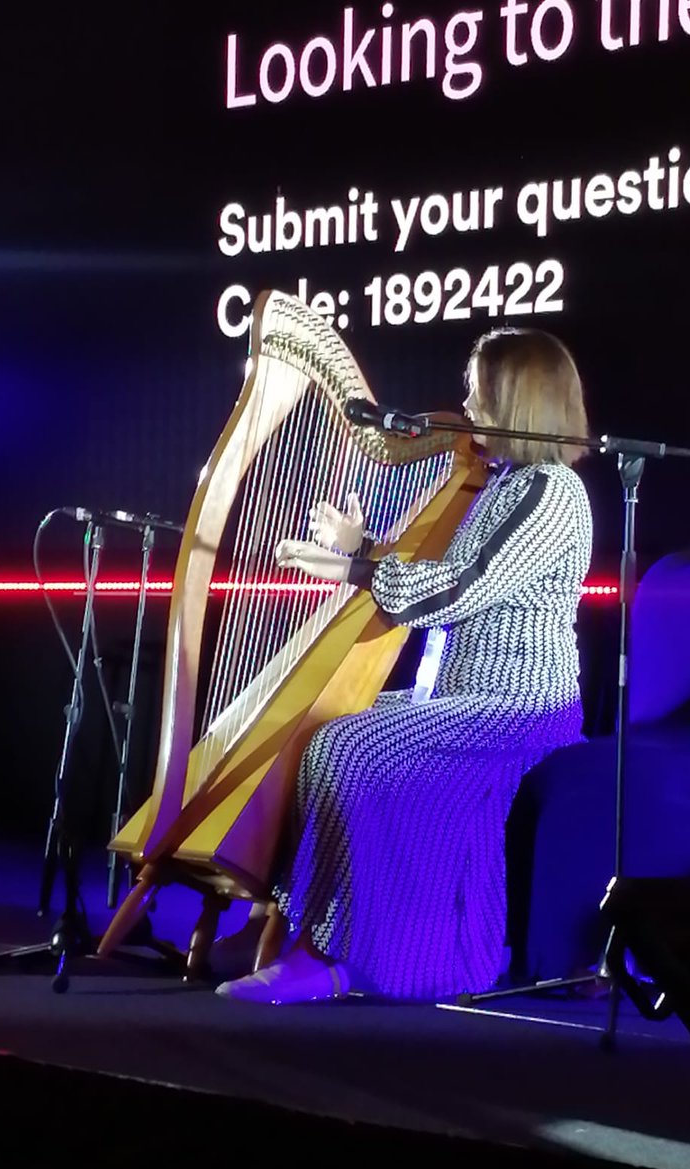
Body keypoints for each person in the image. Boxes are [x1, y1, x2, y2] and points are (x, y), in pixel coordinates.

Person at [216, 326, 593, 1004]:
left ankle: (331, 955)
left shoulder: (554, 493)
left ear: (519, 404)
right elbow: (451, 571)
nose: (467, 406)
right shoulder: (505, 484)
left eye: (479, 395)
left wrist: (359, 568)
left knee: (346, 747)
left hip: (517, 709)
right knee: (317, 728)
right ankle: (287, 918)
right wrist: (367, 546)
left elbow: (466, 586)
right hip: (460, 698)